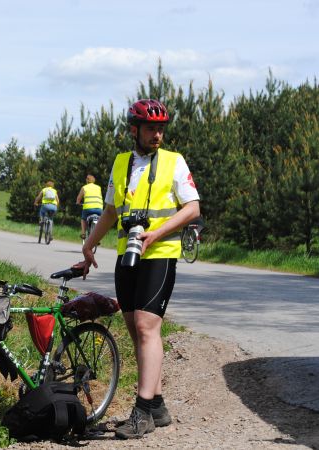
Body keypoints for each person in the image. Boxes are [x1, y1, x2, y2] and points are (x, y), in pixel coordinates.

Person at [75, 99, 200, 439]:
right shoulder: (121, 163)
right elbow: (112, 210)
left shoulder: (174, 162)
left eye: (161, 128)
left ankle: (142, 411)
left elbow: (192, 208)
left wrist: (157, 233)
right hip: (126, 253)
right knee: (134, 327)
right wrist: (90, 245)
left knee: (147, 326)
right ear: (134, 129)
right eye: (150, 128)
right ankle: (157, 405)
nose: (157, 134)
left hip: (159, 252)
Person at [75, 174, 103, 240]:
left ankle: (83, 233)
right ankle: (98, 236)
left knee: (83, 218)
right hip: (99, 208)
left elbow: (79, 198)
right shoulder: (98, 187)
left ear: (87, 180)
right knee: (100, 220)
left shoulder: (84, 187)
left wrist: (78, 203)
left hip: (88, 208)